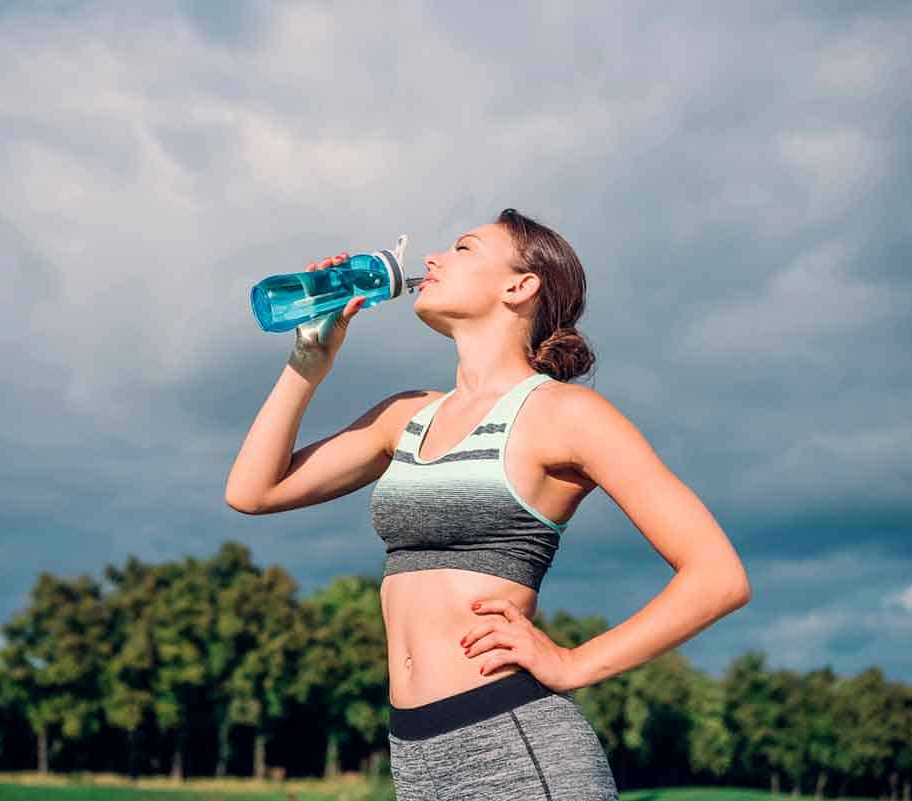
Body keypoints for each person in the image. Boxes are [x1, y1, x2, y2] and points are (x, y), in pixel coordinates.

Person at [225, 208, 751, 800]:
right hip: (417, 756)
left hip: (516, 747)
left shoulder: (566, 415)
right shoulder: (405, 417)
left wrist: (574, 663)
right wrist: (308, 361)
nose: (431, 260)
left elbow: (718, 577)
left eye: (463, 248)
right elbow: (253, 491)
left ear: (519, 286)